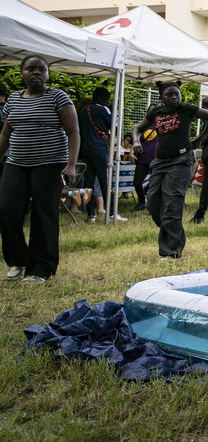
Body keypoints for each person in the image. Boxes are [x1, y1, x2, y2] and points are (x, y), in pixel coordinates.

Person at [0, 55, 79, 283]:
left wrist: (70, 164)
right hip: (16, 163)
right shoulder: (13, 99)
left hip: (50, 164)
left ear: (47, 73)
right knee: (6, 210)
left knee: (43, 215)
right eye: (30, 68)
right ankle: (18, 260)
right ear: (22, 72)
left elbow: (73, 132)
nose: (36, 72)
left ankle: (40, 269)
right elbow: (6, 133)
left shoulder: (57, 97)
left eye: (41, 69)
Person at [133, 80, 208, 260]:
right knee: (153, 205)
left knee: (172, 205)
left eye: (176, 93)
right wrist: (136, 141)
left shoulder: (186, 109)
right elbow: (137, 129)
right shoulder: (155, 112)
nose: (174, 97)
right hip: (160, 162)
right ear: (161, 98)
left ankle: (170, 252)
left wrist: (199, 139)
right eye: (169, 94)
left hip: (181, 161)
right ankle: (175, 237)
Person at [78, 86, 126, 223]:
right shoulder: (102, 109)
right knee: (105, 182)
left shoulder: (82, 111)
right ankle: (110, 213)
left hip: (85, 150)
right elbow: (115, 127)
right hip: (100, 149)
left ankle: (90, 214)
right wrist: (113, 111)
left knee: (88, 184)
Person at [132, 106, 158, 212]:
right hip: (142, 159)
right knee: (137, 182)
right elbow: (134, 142)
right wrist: (131, 152)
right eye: (150, 110)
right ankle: (142, 202)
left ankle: (151, 204)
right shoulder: (141, 127)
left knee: (154, 183)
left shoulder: (162, 126)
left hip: (156, 160)